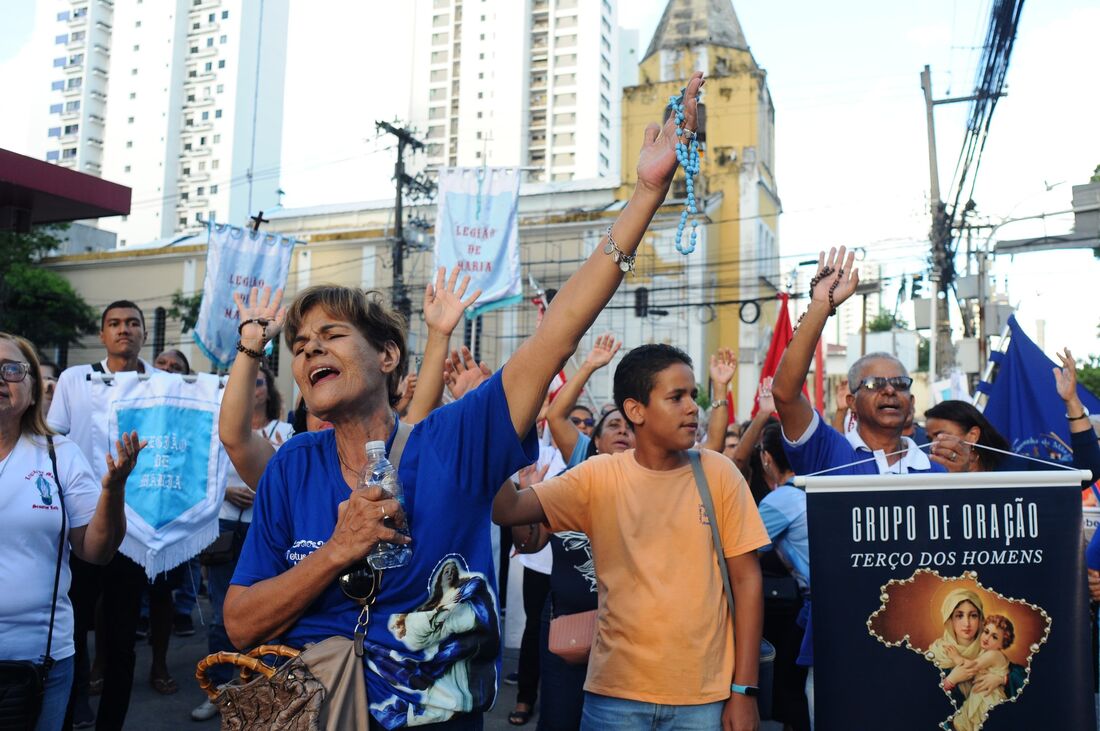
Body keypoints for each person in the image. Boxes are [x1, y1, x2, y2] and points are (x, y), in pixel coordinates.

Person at [223, 72, 706, 731]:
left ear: (387, 356)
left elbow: (557, 331)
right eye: (300, 343)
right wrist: (338, 549)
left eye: (332, 334)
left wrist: (646, 195)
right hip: (314, 711)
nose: (309, 351)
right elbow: (240, 621)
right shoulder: (291, 465)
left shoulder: (454, 440)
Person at [493, 342, 769, 731]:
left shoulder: (719, 473)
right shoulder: (599, 475)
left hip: (704, 698)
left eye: (693, 395)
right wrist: (491, 424)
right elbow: (508, 511)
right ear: (636, 410)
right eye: (676, 397)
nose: (692, 407)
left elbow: (747, 580)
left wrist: (744, 689)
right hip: (614, 697)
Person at [770, 248, 969, 726]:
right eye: (875, 383)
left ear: (911, 398)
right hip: (844, 648)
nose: (889, 391)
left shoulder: (938, 471)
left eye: (899, 383)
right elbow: (784, 391)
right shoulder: (829, 457)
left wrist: (967, 484)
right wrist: (822, 304)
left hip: (927, 654)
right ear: (849, 398)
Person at [0, 332, 143, 731]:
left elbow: (95, 551)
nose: (0, 377)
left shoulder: (58, 454)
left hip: (39, 659)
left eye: (11, 369)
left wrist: (112, 492)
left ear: (33, 391)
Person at [48, 300, 162, 731]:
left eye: (133, 323)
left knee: (121, 638)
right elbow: (54, 438)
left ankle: (110, 724)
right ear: (102, 334)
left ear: (143, 333)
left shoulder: (162, 384)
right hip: (79, 524)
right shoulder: (75, 379)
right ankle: (70, 714)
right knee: (72, 632)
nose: (124, 330)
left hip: (135, 526)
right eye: (114, 323)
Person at [189, 353, 294, 722]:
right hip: (227, 526)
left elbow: (286, 483)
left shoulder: (286, 433)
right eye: (250, 382)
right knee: (222, 612)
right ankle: (218, 688)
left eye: (260, 382)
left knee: (267, 610)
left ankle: (257, 685)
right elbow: (204, 475)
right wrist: (225, 494)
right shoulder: (224, 432)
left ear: (268, 391)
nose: (255, 389)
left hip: (265, 529)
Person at [943, 615, 1014, 731]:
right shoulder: (985, 652)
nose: (987, 638)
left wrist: (956, 657)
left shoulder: (994, 655)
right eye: (986, 632)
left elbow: (972, 667)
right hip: (980, 694)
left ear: (1002, 644)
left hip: (989, 698)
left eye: (994, 637)